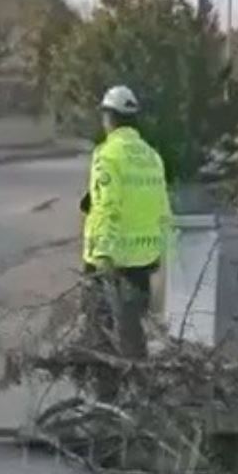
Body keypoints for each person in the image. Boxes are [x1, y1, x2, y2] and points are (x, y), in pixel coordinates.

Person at [81, 85, 171, 360]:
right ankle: (138, 385)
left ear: (109, 118)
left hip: (113, 259)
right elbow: (161, 205)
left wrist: (104, 255)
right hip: (144, 257)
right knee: (133, 333)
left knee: (103, 333)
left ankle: (109, 392)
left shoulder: (107, 154)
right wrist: (161, 252)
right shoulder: (151, 156)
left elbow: (109, 206)